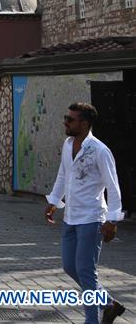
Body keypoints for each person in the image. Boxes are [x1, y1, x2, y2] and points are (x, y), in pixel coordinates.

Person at [45, 102, 125, 324]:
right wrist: (53, 200)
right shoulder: (67, 144)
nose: (65, 122)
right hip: (70, 216)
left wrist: (112, 219)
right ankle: (109, 305)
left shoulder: (100, 150)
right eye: (66, 117)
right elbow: (63, 174)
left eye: (70, 119)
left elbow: (113, 186)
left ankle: (92, 320)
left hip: (92, 219)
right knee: (70, 266)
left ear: (84, 123)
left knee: (86, 271)